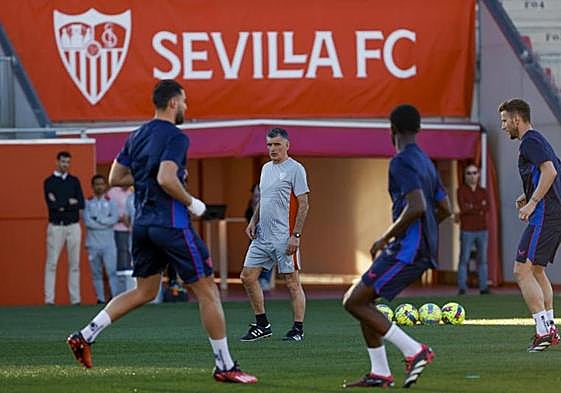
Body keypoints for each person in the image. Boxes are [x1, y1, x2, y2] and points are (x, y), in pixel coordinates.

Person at [66, 79, 257, 384]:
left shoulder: (136, 135)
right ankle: (224, 365)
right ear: (172, 103)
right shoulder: (176, 137)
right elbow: (167, 178)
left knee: (145, 291)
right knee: (208, 290)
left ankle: (85, 335)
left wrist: (146, 181)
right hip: (171, 223)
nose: (186, 107)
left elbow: (116, 177)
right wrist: (193, 203)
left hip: (142, 224)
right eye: (184, 101)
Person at [342, 104, 451, 388]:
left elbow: (416, 206)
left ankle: (415, 351)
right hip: (418, 248)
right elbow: (445, 208)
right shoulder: (427, 162)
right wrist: (426, 234)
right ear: (418, 129)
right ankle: (380, 372)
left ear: (392, 130)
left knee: (352, 301)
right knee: (364, 303)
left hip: (406, 249)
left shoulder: (401, 161)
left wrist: (386, 237)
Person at [498, 98, 561, 352]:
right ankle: (550, 329)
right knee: (536, 270)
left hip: (545, 215)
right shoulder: (537, 140)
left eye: (504, 120)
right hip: (552, 213)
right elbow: (556, 168)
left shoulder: (530, 141)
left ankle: (543, 331)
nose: (503, 126)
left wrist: (533, 202)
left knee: (521, 271)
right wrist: (528, 193)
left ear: (517, 119)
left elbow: (550, 172)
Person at [240, 127, 310, 342]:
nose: (272, 148)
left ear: (287, 145)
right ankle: (262, 325)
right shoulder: (265, 169)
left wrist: (295, 235)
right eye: (269, 144)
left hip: (284, 236)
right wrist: (253, 221)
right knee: (247, 277)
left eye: (277, 144)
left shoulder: (296, 169)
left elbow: (304, 204)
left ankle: (298, 329)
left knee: (291, 282)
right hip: (262, 236)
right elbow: (264, 199)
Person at [43, 151, 85, 305]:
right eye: (63, 162)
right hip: (56, 227)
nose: (65, 165)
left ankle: (75, 300)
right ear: (57, 162)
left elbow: (81, 203)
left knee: (74, 264)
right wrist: (68, 203)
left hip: (73, 226)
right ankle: (49, 300)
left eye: (68, 162)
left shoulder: (74, 181)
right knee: (52, 263)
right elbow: (52, 205)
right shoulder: (49, 182)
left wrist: (61, 204)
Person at [84, 175, 120, 304]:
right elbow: (88, 222)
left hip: (109, 243)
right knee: (96, 273)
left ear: (105, 186)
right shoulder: (87, 202)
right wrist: (105, 222)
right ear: (93, 186)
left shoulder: (111, 202)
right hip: (93, 243)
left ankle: (115, 298)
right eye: (97, 184)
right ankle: (100, 299)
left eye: (101, 184)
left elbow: (114, 219)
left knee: (111, 271)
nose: (99, 187)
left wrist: (99, 220)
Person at [456, 164, 491, 295]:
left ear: (478, 174)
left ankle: (483, 287)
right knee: (464, 258)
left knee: (482, 259)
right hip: (467, 229)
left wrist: (472, 207)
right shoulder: (461, 191)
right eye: (469, 173)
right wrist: (478, 207)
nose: (472, 175)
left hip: (482, 229)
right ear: (465, 176)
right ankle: (462, 287)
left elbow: (487, 207)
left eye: (474, 173)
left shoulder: (483, 191)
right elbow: (464, 208)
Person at [244, 183, 272, 291]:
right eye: (255, 195)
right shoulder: (251, 205)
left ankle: (264, 279)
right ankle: (253, 277)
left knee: (268, 258)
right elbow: (248, 217)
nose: (257, 198)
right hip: (255, 235)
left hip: (269, 235)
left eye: (259, 195)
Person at [107, 186, 133, 295]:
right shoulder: (112, 192)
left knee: (132, 259)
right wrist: (118, 218)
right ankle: (121, 292)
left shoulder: (132, 192)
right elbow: (106, 209)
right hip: (118, 229)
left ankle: (131, 290)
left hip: (132, 230)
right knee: (121, 260)